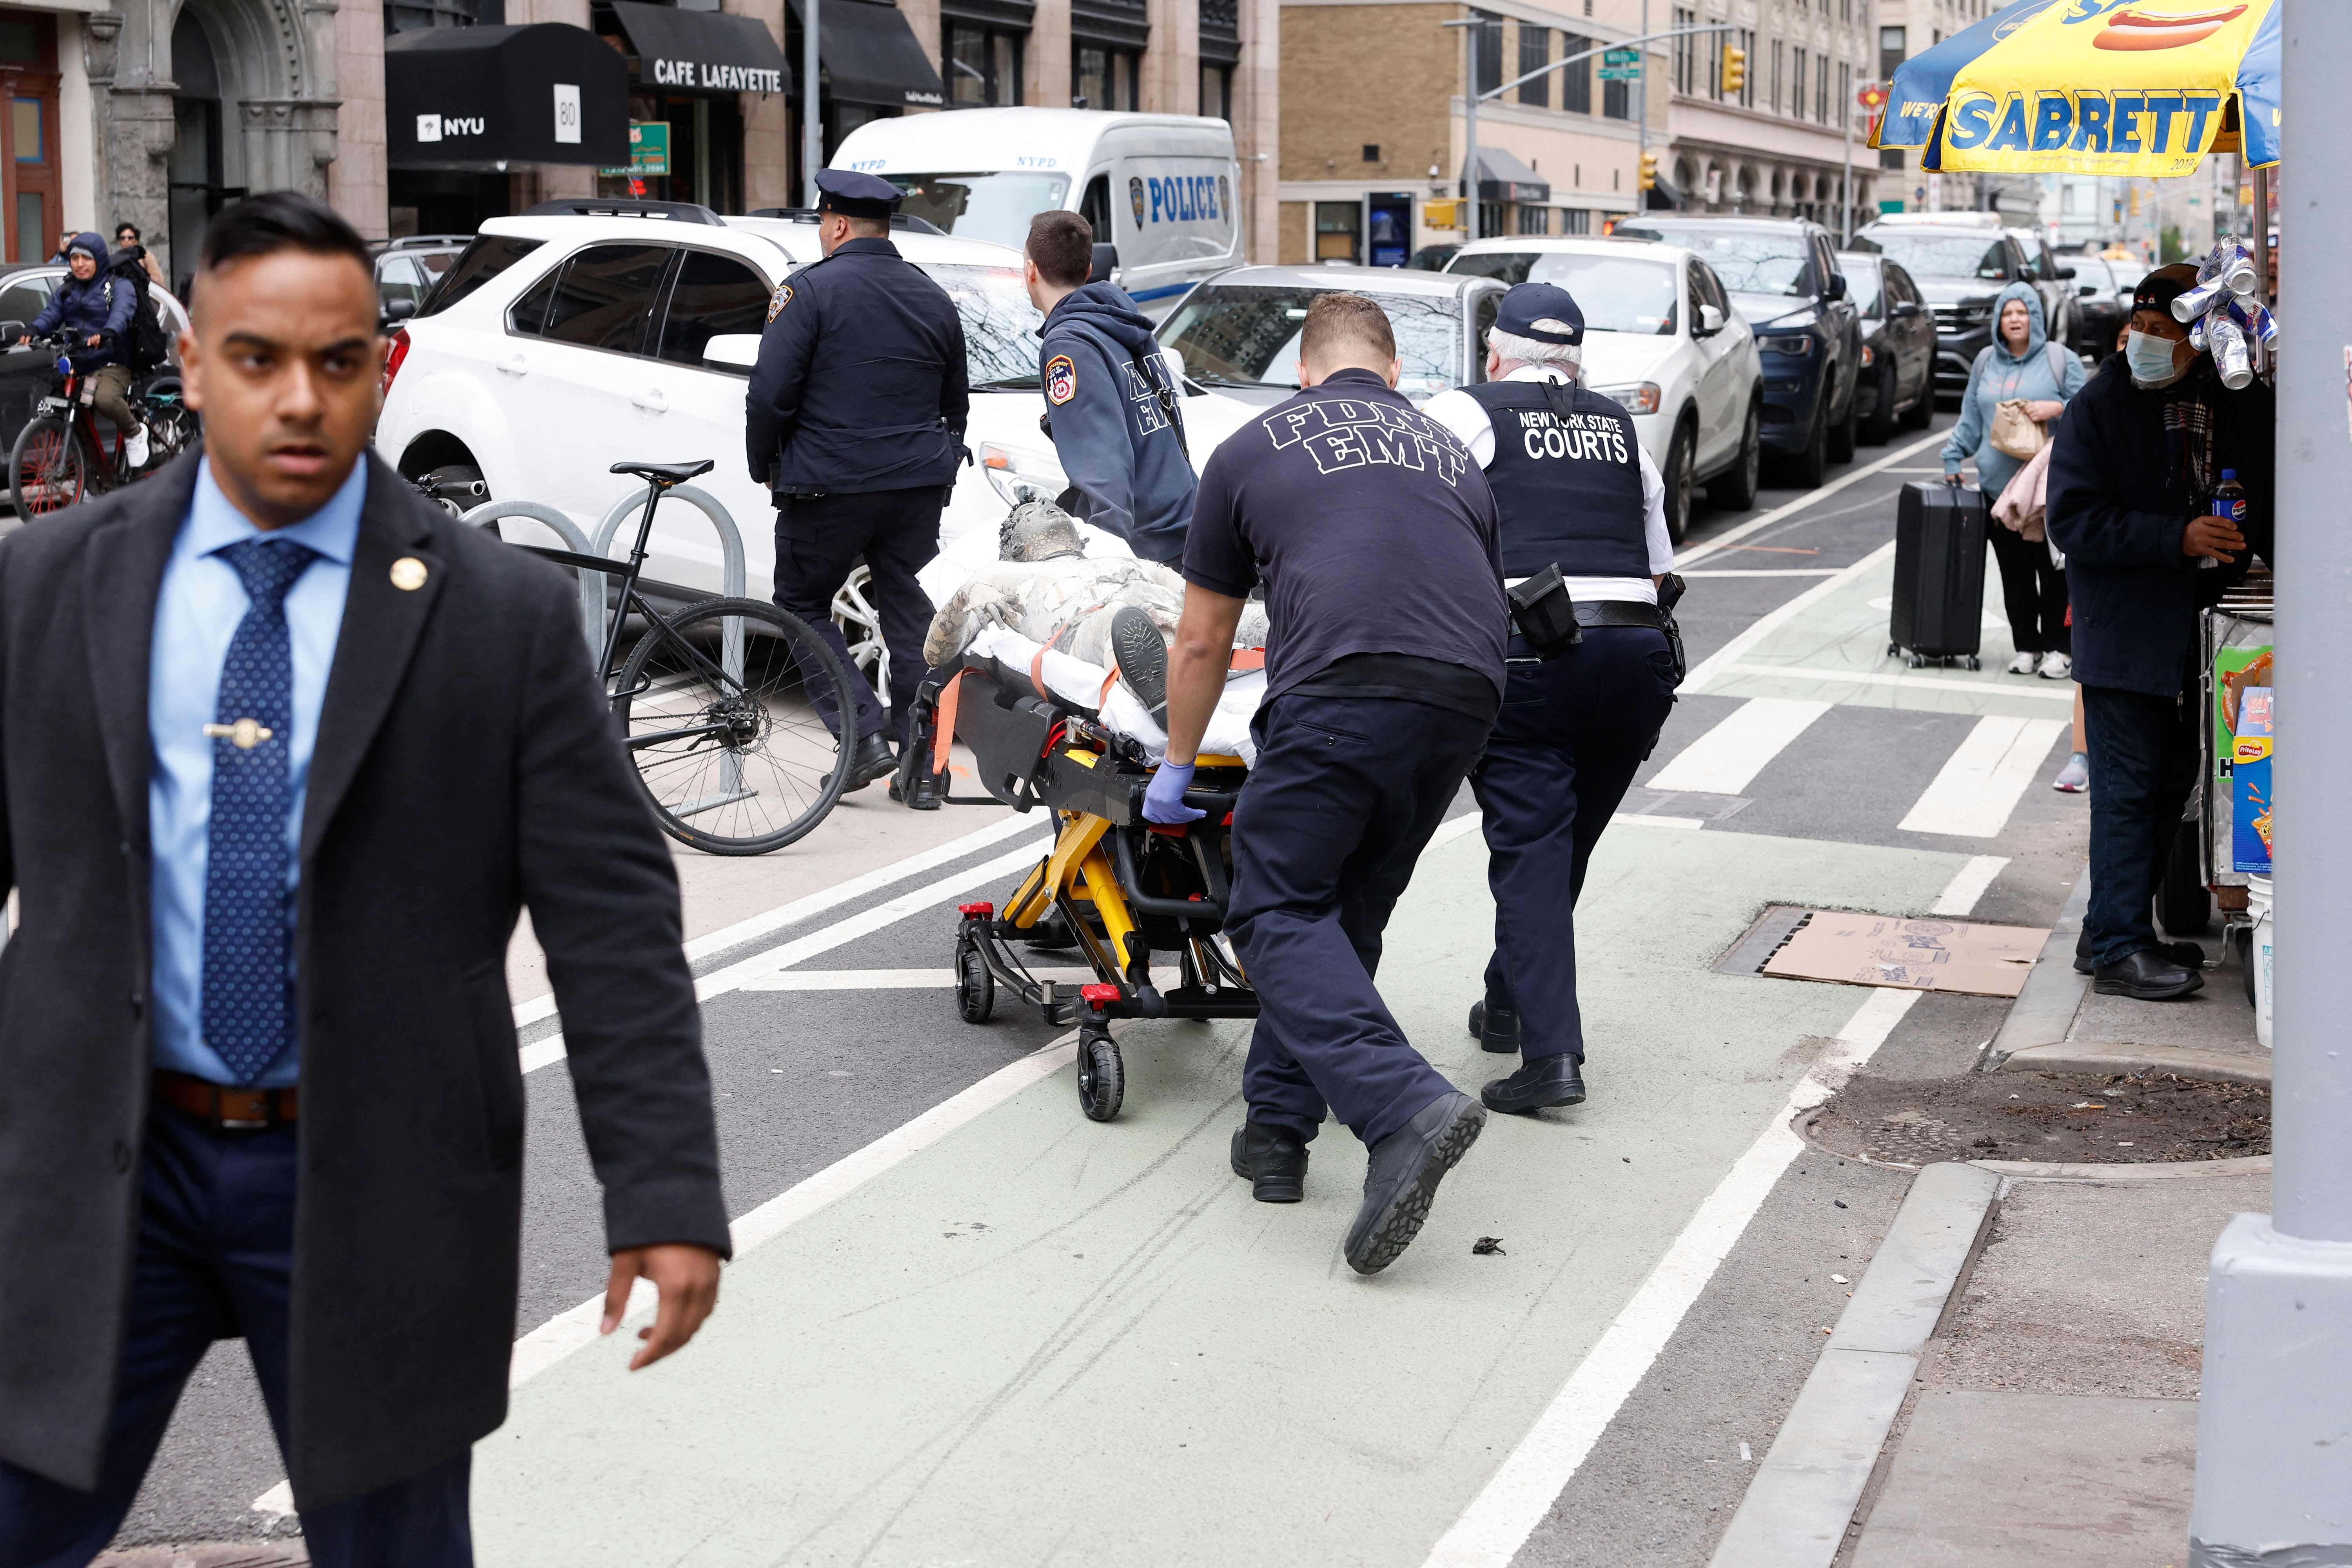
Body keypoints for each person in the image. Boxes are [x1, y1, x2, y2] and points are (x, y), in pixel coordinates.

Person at [0, 192, 728, 1564]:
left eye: (337, 362)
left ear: (381, 368)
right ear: (193, 364)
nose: (300, 398)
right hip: (105, 1156)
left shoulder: (500, 618)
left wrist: (666, 1190)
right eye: (258, 359)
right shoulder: (48, 585)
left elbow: (613, 925)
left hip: (378, 1173)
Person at [1148, 291, 1504, 1276]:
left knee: (1272, 908)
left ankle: (1402, 1106)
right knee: (1339, 918)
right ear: (1393, 373)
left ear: (1303, 372)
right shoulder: (1453, 455)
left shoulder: (1250, 448)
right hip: (1464, 699)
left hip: (1344, 686)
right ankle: (1276, 1136)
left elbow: (1202, 638)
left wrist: (1177, 761)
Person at [1419, 281, 1680, 1115]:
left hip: (1530, 657)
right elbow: (1662, 567)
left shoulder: (1467, 411)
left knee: (1535, 850)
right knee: (1559, 853)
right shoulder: (1620, 429)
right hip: (1637, 661)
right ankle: (1507, 1002)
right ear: (1576, 361)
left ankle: (1552, 1057)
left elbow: (1410, 519)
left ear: (1496, 355)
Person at [2047, 261, 2275, 1000]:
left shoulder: (2222, 398)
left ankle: (2111, 931)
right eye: (2137, 326)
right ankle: (2119, 946)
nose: (2142, 341)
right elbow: (2074, 522)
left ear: (2198, 342)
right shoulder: (2099, 406)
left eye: (2161, 330)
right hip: (2121, 633)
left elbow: (2265, 485)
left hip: (2191, 636)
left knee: (2172, 782)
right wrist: (2177, 537)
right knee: (2128, 790)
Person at [747, 167, 969, 791]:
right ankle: (924, 770)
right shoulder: (932, 295)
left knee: (800, 605)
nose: (823, 233)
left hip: (829, 486)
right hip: (914, 489)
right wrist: (942, 462)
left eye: (823, 223)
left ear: (839, 224)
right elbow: (956, 401)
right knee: (911, 618)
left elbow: (769, 396)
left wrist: (765, 466)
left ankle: (862, 738)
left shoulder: (807, 291)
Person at [1021, 210, 1196, 564]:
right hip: (1185, 521)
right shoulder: (1119, 322)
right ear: (1088, 271)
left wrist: (1105, 562)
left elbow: (1103, 463)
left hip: (1148, 547)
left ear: (1031, 271)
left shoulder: (1068, 345)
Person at [1942, 282, 2088, 679]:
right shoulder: (1985, 361)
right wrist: (1953, 454)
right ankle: (2026, 646)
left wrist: (2057, 407)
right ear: (1998, 321)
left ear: (2036, 318)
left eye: (2023, 312)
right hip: (1999, 491)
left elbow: (2089, 412)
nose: (2015, 319)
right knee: (2014, 573)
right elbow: (1972, 417)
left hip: (2046, 493)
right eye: (2007, 313)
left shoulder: (2060, 360)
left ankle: (2059, 648)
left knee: (2053, 573)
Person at [18, 232, 148, 468]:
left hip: (113, 361)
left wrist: (108, 333)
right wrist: (35, 328)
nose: (79, 264)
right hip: (79, 360)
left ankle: (135, 433)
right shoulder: (68, 289)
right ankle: (88, 471)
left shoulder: (118, 285)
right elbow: (51, 314)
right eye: (75, 258)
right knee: (64, 406)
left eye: (86, 259)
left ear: (99, 260)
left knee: (105, 399)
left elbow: (122, 312)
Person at [114, 222, 168, 288]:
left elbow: (158, 281)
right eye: (123, 238)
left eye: (130, 238)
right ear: (119, 241)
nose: (126, 241)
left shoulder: (146, 256)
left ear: (136, 241)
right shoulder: (116, 260)